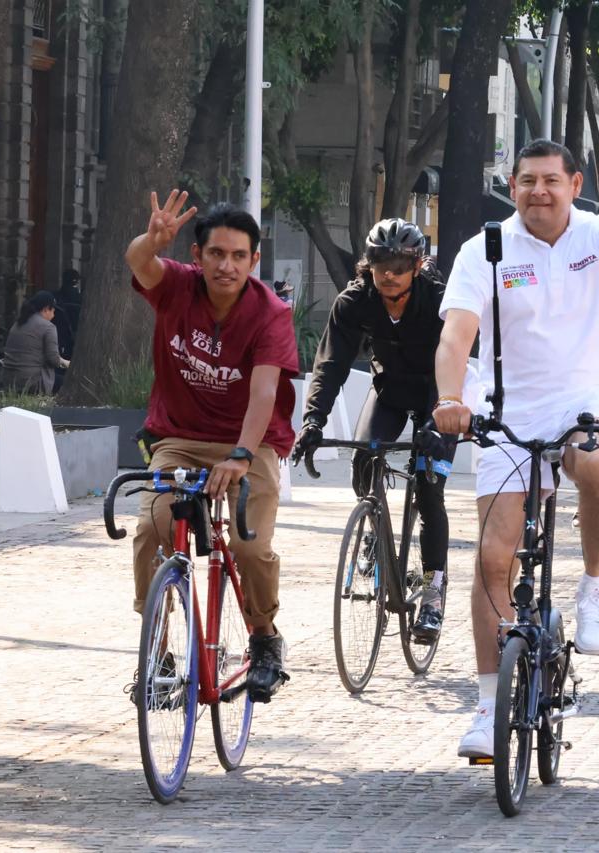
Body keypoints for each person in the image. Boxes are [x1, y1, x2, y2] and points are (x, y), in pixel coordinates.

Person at [431, 141, 599, 759]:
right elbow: (456, 335)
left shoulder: (598, 235)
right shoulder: (485, 249)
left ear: (574, 185)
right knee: (493, 557)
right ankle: (489, 705)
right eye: (528, 180)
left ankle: (594, 587)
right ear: (512, 186)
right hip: (511, 407)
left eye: (552, 180)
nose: (540, 191)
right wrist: (450, 397)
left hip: (591, 396)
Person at [127, 191, 298, 703]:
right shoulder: (177, 286)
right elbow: (139, 262)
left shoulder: (271, 313)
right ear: (197, 256)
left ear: (254, 260)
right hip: (178, 438)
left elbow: (264, 393)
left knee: (249, 546)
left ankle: (264, 639)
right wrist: (150, 241)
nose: (227, 266)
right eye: (217, 254)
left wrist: (242, 455)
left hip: (250, 442)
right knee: (152, 528)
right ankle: (157, 652)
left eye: (239, 256)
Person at [292, 218, 456, 641]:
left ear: (416, 266)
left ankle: (433, 591)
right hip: (390, 392)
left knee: (429, 489)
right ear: (370, 264)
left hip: (437, 393)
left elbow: (455, 360)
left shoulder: (438, 300)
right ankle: (375, 533)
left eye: (399, 266)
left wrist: (438, 419)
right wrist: (313, 421)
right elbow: (331, 365)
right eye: (382, 265)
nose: (389, 274)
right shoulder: (355, 301)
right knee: (364, 457)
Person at [2, 290, 69, 394]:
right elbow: (53, 360)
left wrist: (63, 361)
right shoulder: (48, 327)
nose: (53, 315)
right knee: (67, 382)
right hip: (32, 383)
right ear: (46, 309)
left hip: (10, 382)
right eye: (53, 311)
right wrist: (66, 363)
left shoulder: (18, 323)